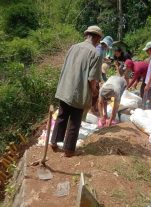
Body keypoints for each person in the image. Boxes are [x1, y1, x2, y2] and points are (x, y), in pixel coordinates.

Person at [50, 25, 103, 157]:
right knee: (75, 120)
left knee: (62, 116)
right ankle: (69, 150)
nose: (98, 42)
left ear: (87, 35)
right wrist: (95, 91)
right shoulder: (95, 53)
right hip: (79, 91)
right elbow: (92, 78)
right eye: (98, 39)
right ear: (96, 37)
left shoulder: (73, 47)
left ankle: (54, 142)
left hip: (65, 87)